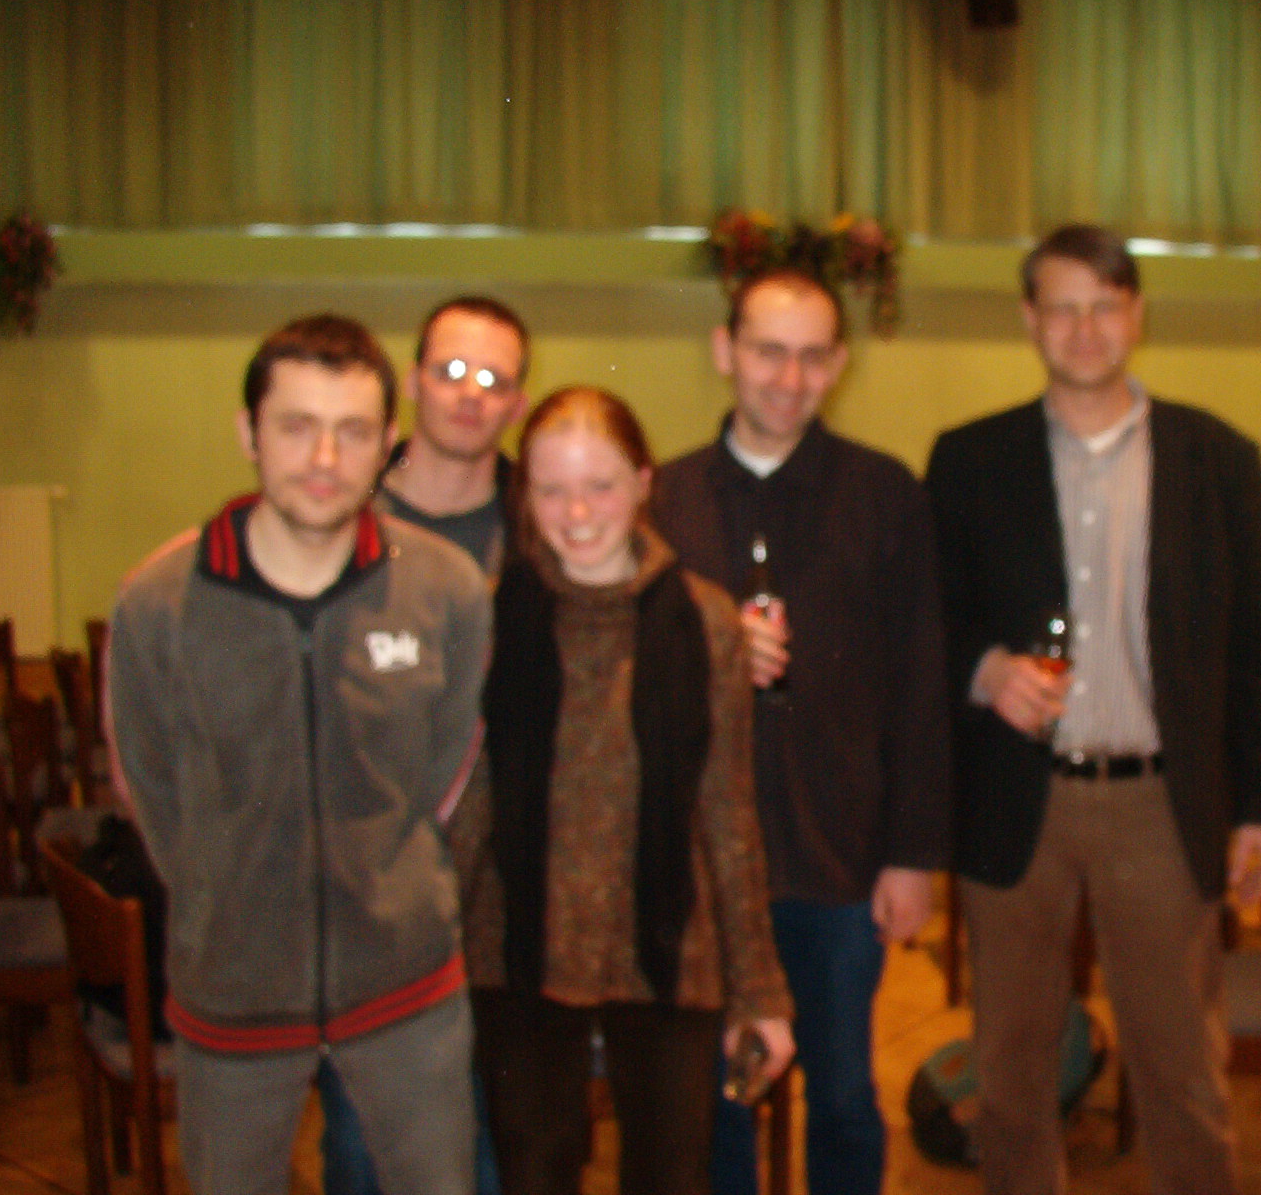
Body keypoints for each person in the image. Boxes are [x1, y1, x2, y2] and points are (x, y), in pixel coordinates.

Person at [924, 223, 1261, 1195]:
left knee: (1183, 1068)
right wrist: (986, 669)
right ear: (1029, 319)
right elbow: (932, 618)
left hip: (1159, 802)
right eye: (1063, 308)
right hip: (1018, 799)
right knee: (1011, 1070)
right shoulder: (969, 459)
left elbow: (1259, 646)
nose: (1084, 329)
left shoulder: (1219, 458)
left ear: (1135, 314)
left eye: (1104, 306)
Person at [108, 314, 490, 1195]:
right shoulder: (158, 602)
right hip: (232, 998)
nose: (325, 457)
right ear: (248, 432)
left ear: (387, 444)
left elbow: (444, 769)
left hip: (406, 990)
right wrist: (221, 897)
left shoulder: (445, 589)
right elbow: (152, 786)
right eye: (296, 426)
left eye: (353, 431)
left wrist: (391, 884)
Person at [654, 268, 952, 1195]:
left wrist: (912, 856)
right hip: (703, 869)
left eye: (813, 357)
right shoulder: (663, 500)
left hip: (839, 859)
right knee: (716, 1104)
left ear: (840, 364)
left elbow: (921, 686)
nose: (790, 379)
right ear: (725, 351)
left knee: (846, 1098)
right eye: (769, 352)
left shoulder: (885, 493)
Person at [470, 386, 794, 1195]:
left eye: (601, 486)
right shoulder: (490, 617)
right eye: (552, 490)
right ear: (525, 495)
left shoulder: (704, 621)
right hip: (516, 946)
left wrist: (759, 991)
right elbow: (469, 804)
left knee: (671, 1176)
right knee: (531, 1174)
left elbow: (727, 814)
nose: (577, 514)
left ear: (645, 482)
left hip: (669, 947)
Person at [317, 295, 528, 1195]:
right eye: (451, 372)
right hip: (369, 893)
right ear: (412, 383)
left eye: (493, 379)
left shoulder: (546, 529)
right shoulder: (335, 521)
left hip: (507, 899)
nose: (470, 394)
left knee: (490, 1148)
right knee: (367, 1146)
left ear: (517, 401)